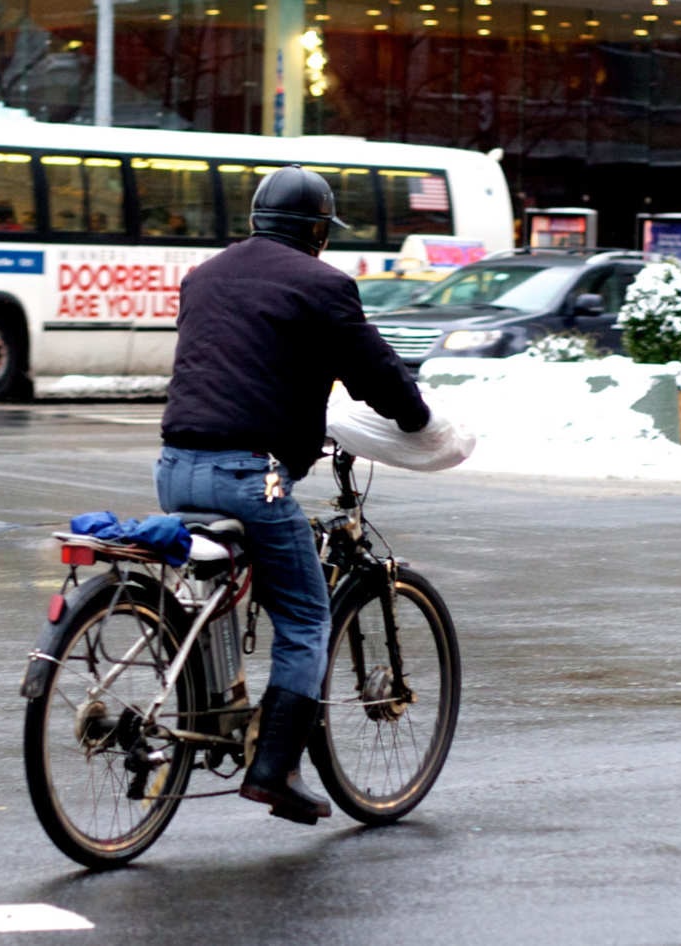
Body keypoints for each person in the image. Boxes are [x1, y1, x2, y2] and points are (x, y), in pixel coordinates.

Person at [157, 165, 430, 826]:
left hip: (174, 469)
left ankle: (216, 705)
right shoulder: (323, 284)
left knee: (227, 579)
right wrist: (416, 417)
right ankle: (273, 770)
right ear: (316, 231)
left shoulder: (206, 275)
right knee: (306, 617)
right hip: (257, 474)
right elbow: (372, 369)